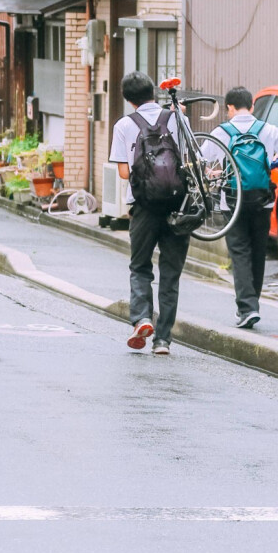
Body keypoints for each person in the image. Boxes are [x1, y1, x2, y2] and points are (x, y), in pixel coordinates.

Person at [205, 86, 278, 329]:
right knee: (258, 251)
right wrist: (276, 157)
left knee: (239, 253)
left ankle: (247, 308)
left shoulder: (222, 131)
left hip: (233, 200)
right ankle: (252, 304)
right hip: (262, 200)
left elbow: (199, 159)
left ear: (229, 107)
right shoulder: (267, 129)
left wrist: (211, 171)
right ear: (251, 106)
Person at [109, 70, 189, 355]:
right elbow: (190, 159)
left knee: (140, 266)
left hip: (144, 206)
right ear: (153, 92)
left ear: (129, 100)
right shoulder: (179, 119)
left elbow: (122, 172)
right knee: (171, 273)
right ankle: (164, 341)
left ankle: (142, 318)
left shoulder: (124, 125)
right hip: (179, 206)